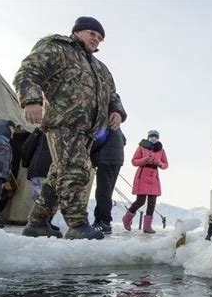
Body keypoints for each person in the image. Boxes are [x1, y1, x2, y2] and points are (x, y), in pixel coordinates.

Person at [14, 16, 127, 240]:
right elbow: (29, 72)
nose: (96, 40)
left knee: (58, 177)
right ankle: (78, 225)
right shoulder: (58, 48)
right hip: (63, 122)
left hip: (89, 131)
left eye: (100, 38)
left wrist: (117, 111)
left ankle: (37, 223)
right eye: (92, 34)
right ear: (77, 31)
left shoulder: (100, 68)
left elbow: (113, 94)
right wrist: (31, 100)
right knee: (77, 171)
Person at [122, 130, 168, 234]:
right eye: (152, 137)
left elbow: (166, 165)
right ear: (148, 137)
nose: (154, 139)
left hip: (154, 178)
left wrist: (159, 163)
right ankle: (126, 218)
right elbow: (134, 161)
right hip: (142, 176)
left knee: (152, 202)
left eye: (156, 137)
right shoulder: (141, 147)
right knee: (140, 201)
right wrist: (145, 160)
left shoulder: (161, 150)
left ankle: (147, 227)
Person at [20, 127, 59, 231]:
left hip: (38, 169)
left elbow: (27, 147)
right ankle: (42, 222)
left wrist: (27, 163)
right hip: (53, 168)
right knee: (51, 196)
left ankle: (42, 222)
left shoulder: (40, 130)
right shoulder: (65, 129)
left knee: (39, 197)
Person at [90, 127, 126, 234]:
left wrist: (90, 154)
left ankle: (104, 222)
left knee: (102, 192)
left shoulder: (104, 125)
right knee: (107, 191)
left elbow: (97, 140)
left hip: (106, 160)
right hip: (117, 160)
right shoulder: (118, 127)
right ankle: (99, 220)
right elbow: (124, 141)